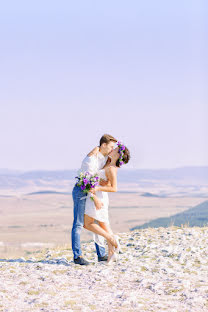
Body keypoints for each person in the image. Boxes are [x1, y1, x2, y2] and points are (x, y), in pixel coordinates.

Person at [71, 134, 117, 265]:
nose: (112, 149)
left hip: (92, 191)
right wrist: (95, 198)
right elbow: (87, 182)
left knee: (97, 219)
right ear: (103, 145)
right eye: (111, 147)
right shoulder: (90, 160)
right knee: (79, 223)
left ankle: (101, 253)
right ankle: (77, 256)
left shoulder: (103, 158)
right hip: (82, 191)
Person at [84, 142, 130, 264]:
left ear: (118, 154)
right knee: (104, 225)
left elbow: (114, 188)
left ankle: (112, 239)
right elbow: (106, 182)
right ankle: (111, 253)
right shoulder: (107, 164)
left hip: (100, 197)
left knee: (87, 224)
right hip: (97, 196)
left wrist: (98, 188)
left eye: (115, 149)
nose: (112, 149)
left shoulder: (111, 168)